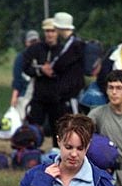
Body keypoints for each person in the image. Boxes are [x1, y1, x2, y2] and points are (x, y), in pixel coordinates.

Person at [24, 14, 85, 142]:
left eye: (52, 31)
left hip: (57, 98)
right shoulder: (35, 49)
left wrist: (53, 71)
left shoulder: (64, 49)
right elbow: (26, 67)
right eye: (47, 31)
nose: (50, 34)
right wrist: (40, 71)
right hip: (39, 96)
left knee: (58, 130)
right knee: (32, 129)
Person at [10, 30, 39, 115]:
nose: (33, 44)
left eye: (35, 42)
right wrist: (14, 97)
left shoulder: (41, 56)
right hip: (24, 94)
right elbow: (17, 78)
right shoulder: (21, 58)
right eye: (31, 42)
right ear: (26, 43)